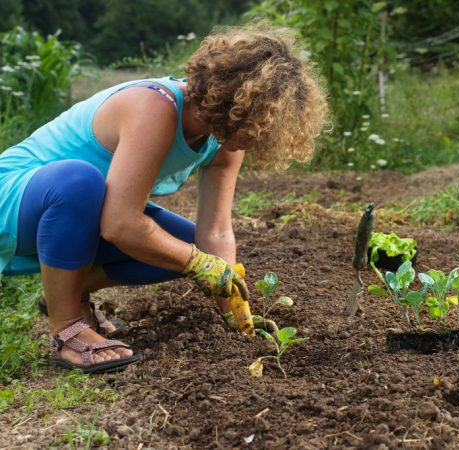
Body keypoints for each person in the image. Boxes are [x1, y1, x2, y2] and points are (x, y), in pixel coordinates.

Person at [0, 24, 328, 373]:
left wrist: (233, 308)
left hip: (73, 215)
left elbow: (215, 233)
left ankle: (65, 292)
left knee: (186, 246)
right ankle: (66, 329)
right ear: (237, 105)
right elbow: (120, 223)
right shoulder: (155, 107)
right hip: (18, 199)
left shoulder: (223, 141)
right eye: (260, 123)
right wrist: (195, 262)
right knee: (80, 180)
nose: (259, 137)